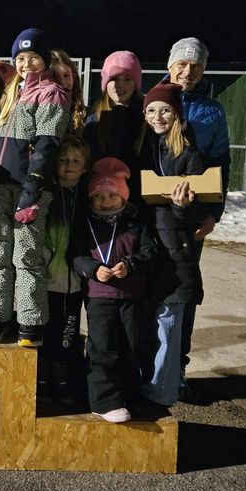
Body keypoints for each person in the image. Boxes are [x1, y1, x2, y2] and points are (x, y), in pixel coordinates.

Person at [0, 28, 70, 347]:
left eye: (33, 58)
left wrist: (33, 188)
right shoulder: (12, 92)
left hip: (28, 190)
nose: (26, 64)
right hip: (1, 187)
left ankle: (30, 322)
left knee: (27, 255)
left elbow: (47, 144)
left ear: (44, 60)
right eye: (20, 58)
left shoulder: (50, 92)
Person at [163, 37, 230, 396]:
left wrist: (214, 213)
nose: (187, 72)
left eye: (195, 66)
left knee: (183, 288)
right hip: (154, 211)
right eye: (181, 64)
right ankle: (147, 362)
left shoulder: (212, 111)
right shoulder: (155, 100)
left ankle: (178, 365)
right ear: (170, 65)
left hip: (192, 216)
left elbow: (222, 164)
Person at [72, 157, 156, 422]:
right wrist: (93, 268)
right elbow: (75, 256)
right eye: (99, 195)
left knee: (133, 346)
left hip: (133, 296)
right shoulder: (84, 223)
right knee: (103, 348)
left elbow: (150, 252)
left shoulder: (136, 222)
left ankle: (129, 397)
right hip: (100, 297)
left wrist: (130, 265)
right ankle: (103, 401)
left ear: (123, 196)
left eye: (112, 195)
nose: (105, 201)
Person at [139, 82, 206, 406]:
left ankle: (160, 395)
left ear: (177, 113)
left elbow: (197, 211)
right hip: (148, 248)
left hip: (175, 252)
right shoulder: (143, 148)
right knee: (147, 324)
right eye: (151, 110)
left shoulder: (189, 154)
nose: (158, 116)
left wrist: (182, 206)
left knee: (167, 325)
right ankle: (145, 385)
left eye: (164, 109)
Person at [41, 135, 90, 401]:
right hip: (47, 276)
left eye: (75, 161)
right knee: (45, 329)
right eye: (63, 160)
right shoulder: (46, 193)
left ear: (84, 166)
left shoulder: (87, 195)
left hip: (74, 280)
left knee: (68, 331)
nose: (69, 165)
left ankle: (62, 379)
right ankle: (42, 377)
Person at [83, 50, 145, 204]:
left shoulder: (147, 117)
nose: (120, 85)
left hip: (137, 198)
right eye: (114, 79)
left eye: (127, 79)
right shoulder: (94, 119)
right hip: (101, 198)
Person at [50, 50, 87, 134]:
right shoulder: (36, 112)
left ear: (74, 77)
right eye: (55, 77)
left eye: (66, 75)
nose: (62, 83)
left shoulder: (86, 116)